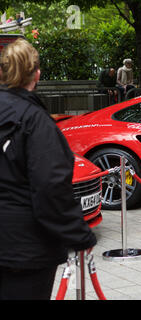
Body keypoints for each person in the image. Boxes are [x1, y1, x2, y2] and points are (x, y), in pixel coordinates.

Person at [0, 38, 97, 300]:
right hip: (25, 251)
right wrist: (80, 236)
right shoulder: (36, 122)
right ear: (37, 74)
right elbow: (51, 190)